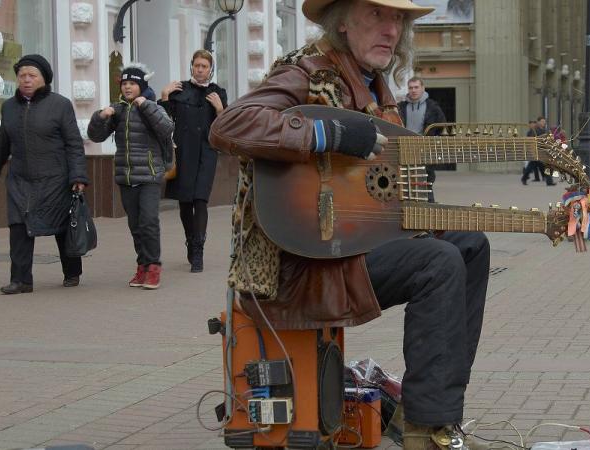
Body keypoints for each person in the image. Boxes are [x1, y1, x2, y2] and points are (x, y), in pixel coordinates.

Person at [207, 1, 491, 448]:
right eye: (377, 15)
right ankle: (423, 430)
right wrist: (329, 135)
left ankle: (439, 416)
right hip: (303, 262)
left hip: (354, 244)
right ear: (341, 20)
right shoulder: (305, 72)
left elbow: (381, 193)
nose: (391, 29)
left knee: (470, 243)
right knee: (437, 263)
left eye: (398, 19)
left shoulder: (378, 90)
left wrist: (425, 212)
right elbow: (231, 124)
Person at [0, 54, 88, 295]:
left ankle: (72, 271)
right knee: (19, 227)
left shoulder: (60, 105)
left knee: (61, 226)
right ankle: (21, 280)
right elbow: (2, 144)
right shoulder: (9, 107)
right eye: (22, 76)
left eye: (32, 75)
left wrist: (78, 177)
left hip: (55, 178)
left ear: (43, 78)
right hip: (20, 180)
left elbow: (73, 144)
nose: (26, 80)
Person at [88, 63, 174, 288]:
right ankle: (142, 266)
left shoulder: (153, 106)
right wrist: (100, 116)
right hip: (126, 176)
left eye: (132, 83)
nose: (127, 87)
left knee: (148, 222)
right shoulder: (118, 110)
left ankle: (154, 267)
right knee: (135, 225)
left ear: (141, 86)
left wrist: (146, 106)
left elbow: (166, 128)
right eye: (124, 83)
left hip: (150, 174)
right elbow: (95, 137)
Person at [159, 49, 228, 273]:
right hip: (184, 152)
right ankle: (190, 239)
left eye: (204, 66)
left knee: (200, 201)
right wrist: (165, 96)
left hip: (207, 153)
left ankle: (198, 251)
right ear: (192, 66)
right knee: (185, 202)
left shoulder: (218, 92)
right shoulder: (180, 89)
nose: (200, 70)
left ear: (211, 69)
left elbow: (226, 127)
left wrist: (220, 109)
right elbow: (163, 122)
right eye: (197, 65)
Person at [398, 76, 446, 202]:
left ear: (422, 88)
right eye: (410, 87)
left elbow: (442, 129)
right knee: (405, 184)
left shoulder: (433, 107)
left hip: (424, 151)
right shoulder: (400, 107)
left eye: (416, 87)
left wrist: (434, 145)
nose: (413, 90)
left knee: (425, 183)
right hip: (405, 150)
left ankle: (429, 211)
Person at [522, 116, 555, 185]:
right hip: (536, 151)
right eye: (542, 122)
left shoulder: (544, 130)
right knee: (537, 166)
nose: (544, 123)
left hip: (542, 151)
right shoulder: (534, 130)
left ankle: (549, 181)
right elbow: (531, 140)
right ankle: (524, 178)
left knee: (543, 166)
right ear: (538, 122)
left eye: (544, 122)